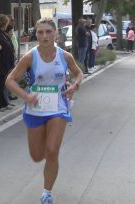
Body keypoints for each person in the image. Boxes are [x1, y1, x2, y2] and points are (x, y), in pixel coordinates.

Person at [6, 17, 83, 204]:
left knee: (52, 150)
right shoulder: (30, 57)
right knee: (37, 155)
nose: (44, 36)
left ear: (55, 33)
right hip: (35, 109)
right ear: (36, 34)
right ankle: (44, 168)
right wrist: (27, 96)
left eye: (48, 31)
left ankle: (47, 192)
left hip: (58, 107)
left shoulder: (65, 56)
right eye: (40, 32)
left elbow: (78, 73)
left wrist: (75, 85)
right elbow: (10, 80)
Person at [0, 14, 15, 111]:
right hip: (1, 63)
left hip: (6, 63)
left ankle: (4, 103)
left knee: (2, 85)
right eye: (6, 22)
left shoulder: (3, 33)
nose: (7, 24)